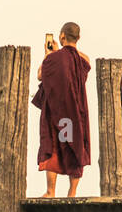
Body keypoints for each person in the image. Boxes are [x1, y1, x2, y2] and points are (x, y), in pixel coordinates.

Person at [33, 21, 91, 197]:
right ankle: (72, 191)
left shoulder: (52, 58)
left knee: (54, 145)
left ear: (62, 36)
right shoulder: (84, 58)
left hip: (57, 112)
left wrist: (48, 54)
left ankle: (51, 191)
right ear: (78, 37)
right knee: (75, 145)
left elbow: (40, 75)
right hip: (75, 112)